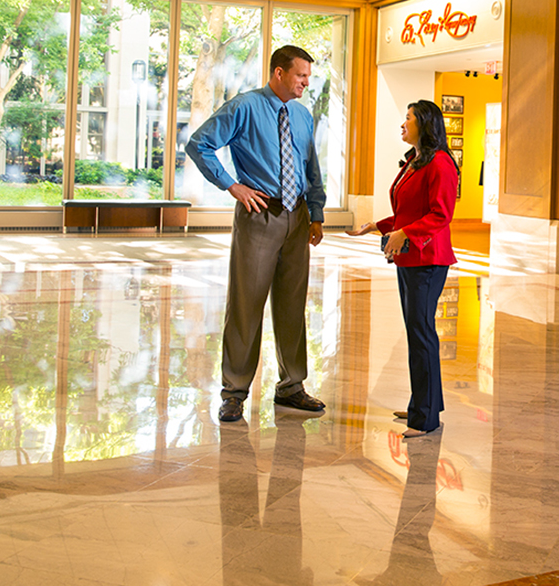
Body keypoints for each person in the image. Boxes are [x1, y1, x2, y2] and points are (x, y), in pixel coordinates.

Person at [186, 44, 327, 422]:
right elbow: (199, 144)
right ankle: (234, 392)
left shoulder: (302, 116)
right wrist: (233, 186)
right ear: (278, 73)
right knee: (246, 306)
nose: (305, 83)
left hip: (297, 219)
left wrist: (316, 212)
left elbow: (310, 166)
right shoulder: (244, 107)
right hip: (259, 215)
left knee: (292, 306)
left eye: (308, 77)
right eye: (300, 76)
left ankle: (292, 386)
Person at [347, 101, 458, 438]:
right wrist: (377, 226)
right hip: (410, 257)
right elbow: (409, 211)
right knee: (417, 333)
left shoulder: (440, 164)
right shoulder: (415, 161)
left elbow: (441, 215)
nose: (402, 123)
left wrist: (405, 233)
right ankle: (423, 404)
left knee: (421, 333)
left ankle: (424, 419)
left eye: (407, 118)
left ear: (424, 123)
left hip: (428, 259)